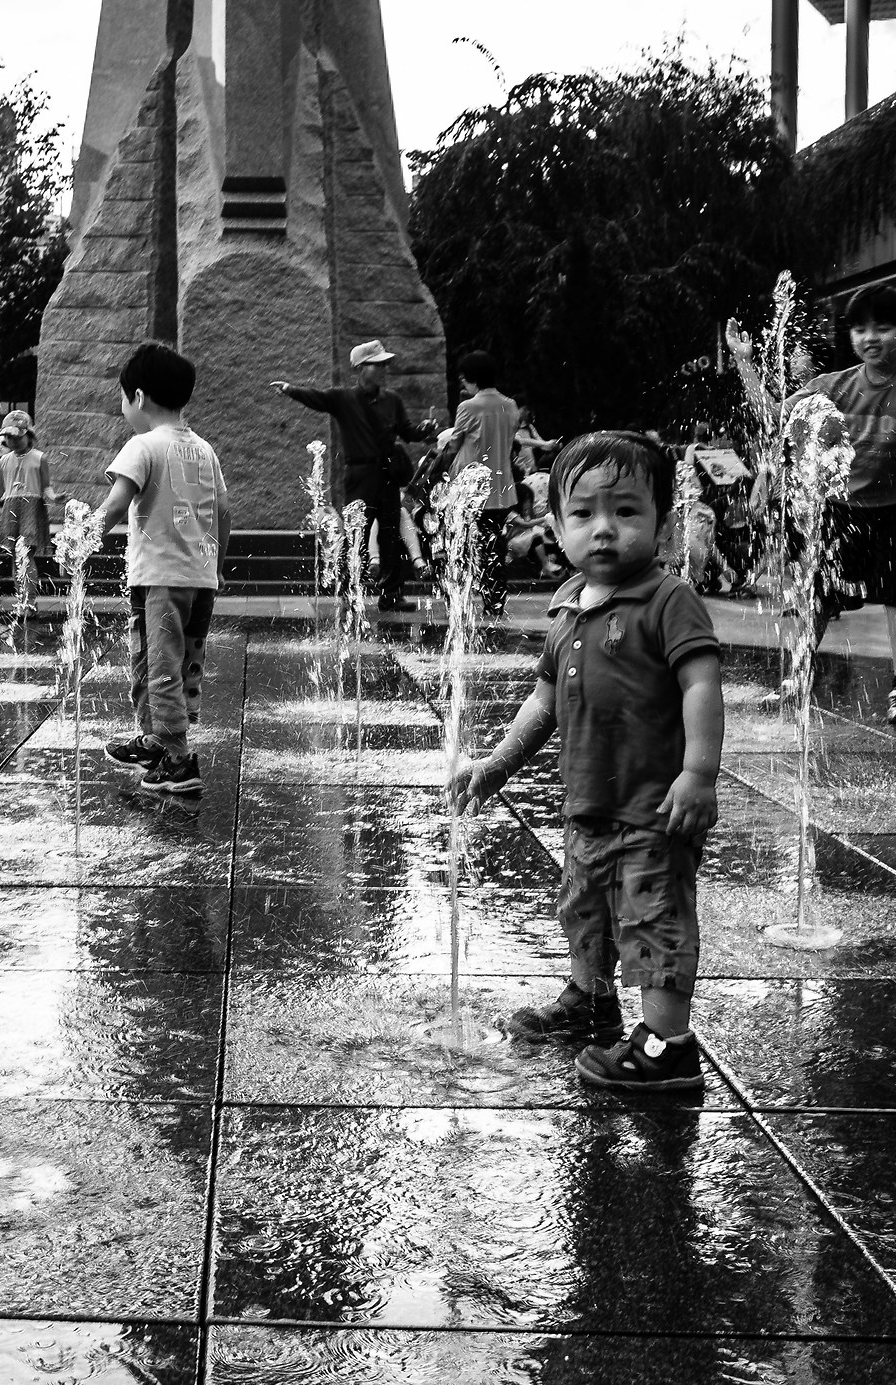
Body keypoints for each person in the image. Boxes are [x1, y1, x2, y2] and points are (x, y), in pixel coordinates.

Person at [451, 431, 723, 1091]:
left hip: (653, 810)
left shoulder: (668, 600)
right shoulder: (567, 613)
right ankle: (591, 1000)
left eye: (626, 512)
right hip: (589, 806)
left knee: (653, 918)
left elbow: (702, 685)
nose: (604, 529)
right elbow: (541, 706)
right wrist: (496, 766)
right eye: (583, 515)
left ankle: (667, 1042)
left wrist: (699, 773)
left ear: (663, 520)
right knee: (585, 908)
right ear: (556, 525)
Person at [786, 284, 896, 726]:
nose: (869, 338)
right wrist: (746, 363)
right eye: (860, 329)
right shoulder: (834, 386)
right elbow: (773, 416)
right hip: (840, 508)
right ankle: (799, 671)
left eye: (882, 327)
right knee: (821, 594)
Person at [97, 342, 229, 797]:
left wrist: (85, 536)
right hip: (200, 579)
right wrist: (218, 564)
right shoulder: (205, 450)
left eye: (122, 398)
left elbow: (116, 504)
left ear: (138, 397)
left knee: (159, 665)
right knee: (184, 662)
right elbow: (224, 513)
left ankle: (179, 759)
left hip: (160, 580)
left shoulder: (142, 445)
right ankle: (159, 737)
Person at [271, 341, 429, 610]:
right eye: (377, 364)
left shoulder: (393, 400)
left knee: (391, 535)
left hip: (387, 475)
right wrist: (290, 390)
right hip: (360, 475)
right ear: (360, 367)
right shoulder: (343, 398)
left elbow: (407, 432)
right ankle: (347, 593)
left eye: (384, 364)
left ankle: (392, 595)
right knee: (357, 533)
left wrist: (423, 430)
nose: (383, 369)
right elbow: (316, 398)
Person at [441, 350, 521, 614]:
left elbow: (454, 444)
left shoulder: (468, 407)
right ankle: (495, 600)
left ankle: (460, 599)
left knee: (463, 544)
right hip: (501, 487)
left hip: (471, 489)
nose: (463, 384)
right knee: (495, 545)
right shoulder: (510, 405)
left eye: (464, 379)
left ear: (472, 378)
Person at [0, 409, 53, 608]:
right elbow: (0, 488)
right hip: (11, 507)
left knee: (26, 556)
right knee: (16, 557)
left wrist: (54, 497)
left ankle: (30, 601)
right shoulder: (4, 461)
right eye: (8, 437)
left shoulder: (39, 458)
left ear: (28, 435)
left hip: (31, 508)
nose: (12, 442)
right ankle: (21, 600)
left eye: (16, 437)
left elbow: (46, 486)